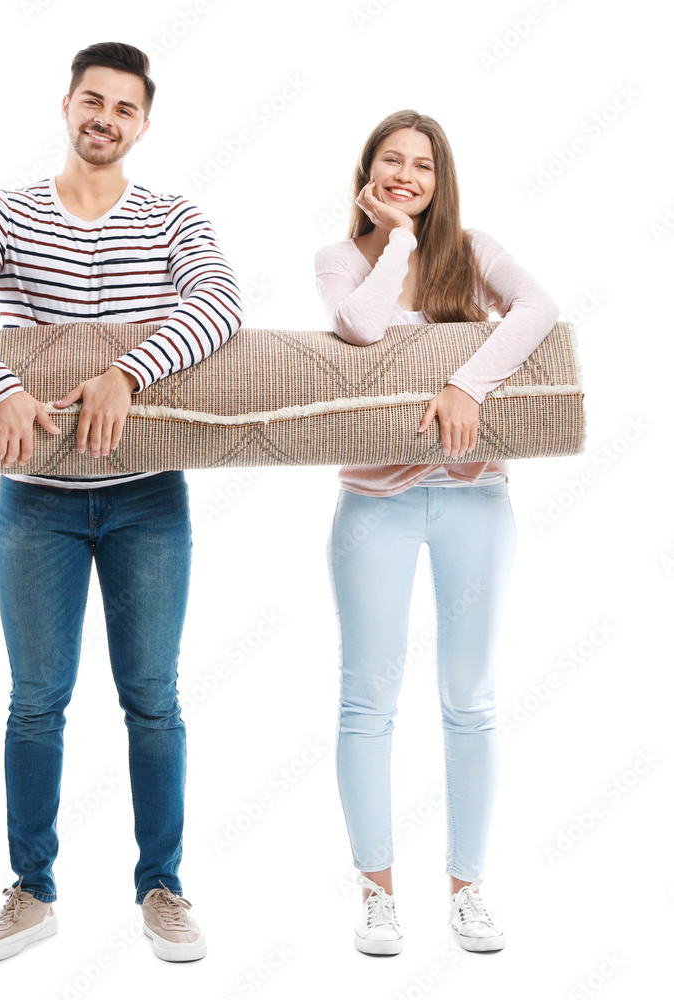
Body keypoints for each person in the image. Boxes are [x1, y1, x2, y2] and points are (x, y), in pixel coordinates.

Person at [0, 41, 242, 964]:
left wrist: (128, 372)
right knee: (34, 703)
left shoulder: (174, 217)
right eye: (91, 100)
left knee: (153, 700)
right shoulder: (5, 213)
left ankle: (163, 889)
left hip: (147, 500)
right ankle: (31, 892)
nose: (105, 117)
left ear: (143, 124)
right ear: (65, 106)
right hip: (35, 505)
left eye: (123, 108)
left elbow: (219, 304)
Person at [315, 110, 558, 955]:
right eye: (391, 161)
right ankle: (377, 894)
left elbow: (539, 310)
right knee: (366, 703)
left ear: (439, 178)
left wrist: (466, 385)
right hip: (373, 506)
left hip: (473, 499)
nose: (406, 175)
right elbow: (361, 331)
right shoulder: (343, 260)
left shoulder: (477, 250)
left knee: (469, 701)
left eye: (421, 165)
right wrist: (395, 245)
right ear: (368, 171)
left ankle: (467, 891)